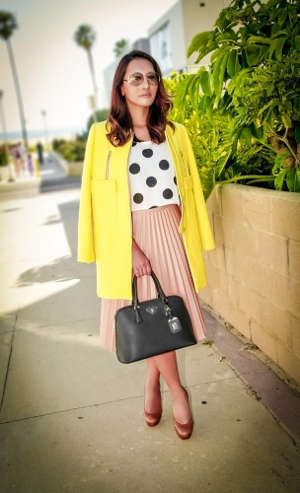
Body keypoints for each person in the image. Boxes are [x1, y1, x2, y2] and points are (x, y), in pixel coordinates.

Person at [77, 50, 216, 440]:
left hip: (172, 233)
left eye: (152, 77)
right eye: (136, 78)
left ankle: (151, 383)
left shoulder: (175, 133)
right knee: (149, 316)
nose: (146, 85)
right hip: (131, 239)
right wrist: (129, 248)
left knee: (164, 317)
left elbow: (189, 188)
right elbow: (96, 201)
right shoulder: (102, 137)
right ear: (121, 86)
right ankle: (177, 391)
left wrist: (191, 236)